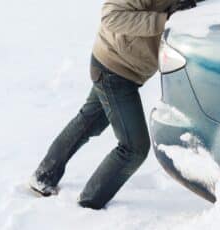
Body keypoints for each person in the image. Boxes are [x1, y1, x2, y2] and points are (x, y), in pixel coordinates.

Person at [29, 0, 197, 210]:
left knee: (90, 122)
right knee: (134, 147)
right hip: (113, 69)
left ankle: (43, 176)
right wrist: (164, 20)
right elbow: (111, 16)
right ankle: (89, 204)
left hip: (126, 69)